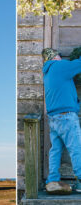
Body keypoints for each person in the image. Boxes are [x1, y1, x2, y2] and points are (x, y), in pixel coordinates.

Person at [42, 48, 81, 194]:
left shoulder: (47, 72)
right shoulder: (59, 66)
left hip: (53, 119)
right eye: (58, 55)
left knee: (55, 150)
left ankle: (52, 180)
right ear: (55, 57)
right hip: (66, 117)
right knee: (76, 148)